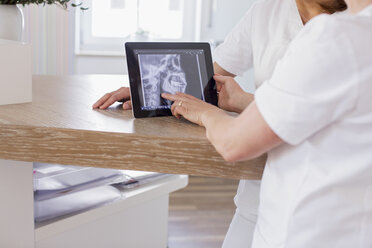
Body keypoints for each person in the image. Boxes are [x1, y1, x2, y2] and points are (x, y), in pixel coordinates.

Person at [92, 0, 347, 246]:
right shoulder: (267, 12)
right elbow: (208, 78)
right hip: (262, 192)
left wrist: (218, 112)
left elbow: (247, 137)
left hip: (329, 204)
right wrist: (146, 91)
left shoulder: (355, 30)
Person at [161, 0, 372, 246]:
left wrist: (206, 114)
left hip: (306, 226)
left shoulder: (337, 35)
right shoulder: (349, 32)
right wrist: (151, 92)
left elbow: (233, 143)